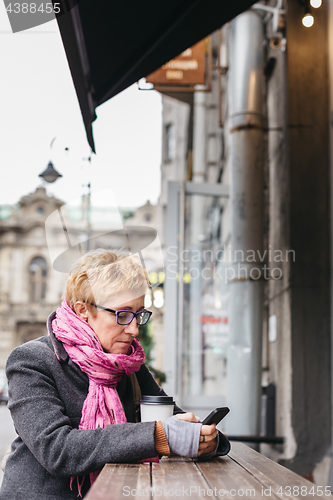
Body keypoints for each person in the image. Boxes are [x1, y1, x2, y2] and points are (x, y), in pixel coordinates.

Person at [0, 250, 230, 500]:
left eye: (139, 315)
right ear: (83, 310)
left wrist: (207, 440)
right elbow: (58, 451)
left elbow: (177, 422)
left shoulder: (129, 365)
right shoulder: (32, 360)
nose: (134, 330)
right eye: (122, 315)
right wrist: (158, 436)